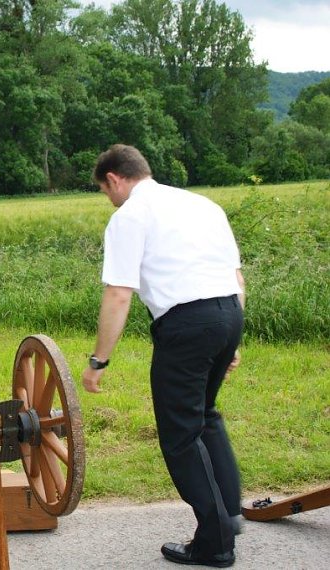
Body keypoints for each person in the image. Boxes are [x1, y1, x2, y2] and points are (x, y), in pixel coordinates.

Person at [81, 144, 245, 568]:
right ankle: (229, 513)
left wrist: (99, 360)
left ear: (114, 179)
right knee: (205, 415)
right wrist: (232, 341)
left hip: (186, 324)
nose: (109, 200)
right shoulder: (203, 205)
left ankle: (215, 543)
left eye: (105, 191)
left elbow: (119, 294)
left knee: (180, 436)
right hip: (229, 311)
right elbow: (235, 277)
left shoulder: (130, 216)